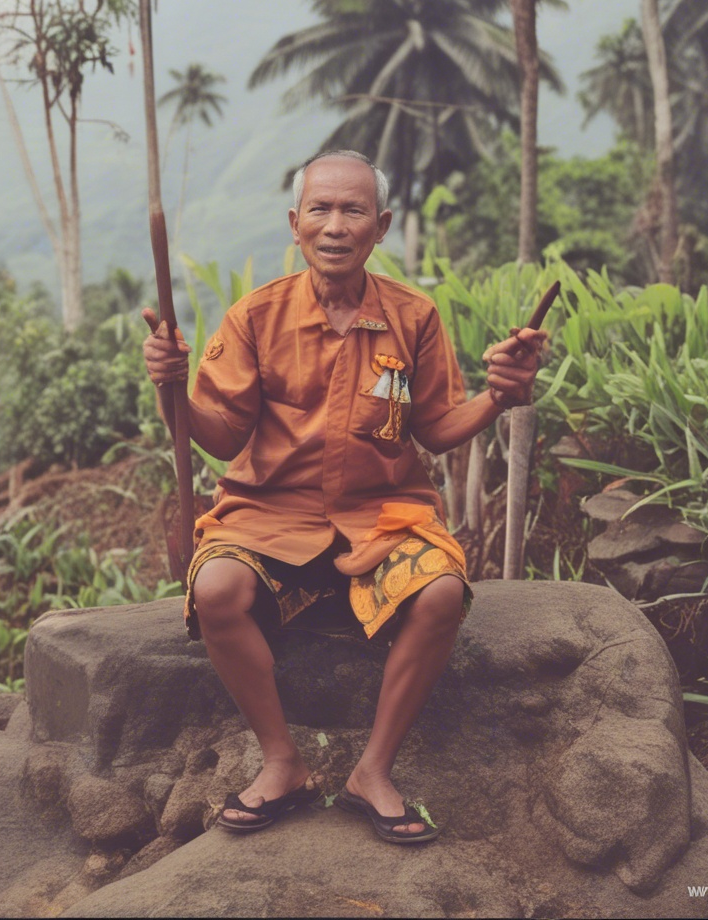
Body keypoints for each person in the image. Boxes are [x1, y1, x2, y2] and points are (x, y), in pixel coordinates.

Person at [142, 150, 546, 843]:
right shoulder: (256, 317)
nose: (335, 226)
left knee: (442, 592)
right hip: (267, 513)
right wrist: (169, 386)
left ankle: (373, 771)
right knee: (215, 590)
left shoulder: (413, 317)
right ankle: (281, 762)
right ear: (294, 223)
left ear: (380, 226)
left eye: (353, 210)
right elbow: (218, 434)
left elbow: (437, 428)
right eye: (320, 210)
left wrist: (500, 397)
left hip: (381, 517)